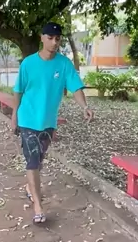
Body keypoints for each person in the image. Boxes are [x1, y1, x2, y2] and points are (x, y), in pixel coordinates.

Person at [11, 22, 93, 224]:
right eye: (50, 38)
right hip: (28, 119)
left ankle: (29, 187)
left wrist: (84, 107)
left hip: (48, 122)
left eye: (57, 39)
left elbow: (76, 88)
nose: (54, 42)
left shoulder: (64, 64)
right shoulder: (28, 64)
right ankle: (38, 206)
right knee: (32, 161)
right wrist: (14, 116)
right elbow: (18, 91)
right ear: (42, 38)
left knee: (39, 160)